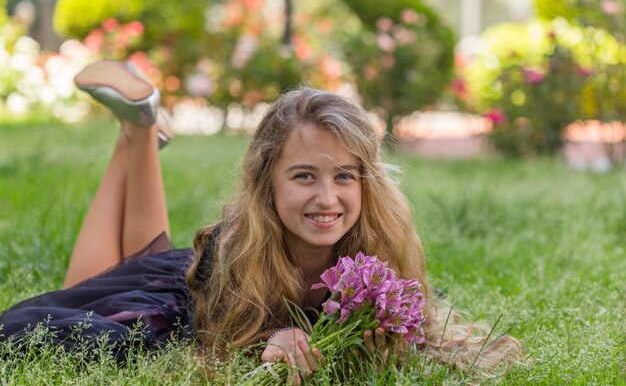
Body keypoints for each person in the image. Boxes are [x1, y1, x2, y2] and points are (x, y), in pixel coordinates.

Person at [0, 60, 520, 382]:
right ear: (266, 181)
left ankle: (139, 131)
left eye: (344, 176)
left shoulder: (382, 240)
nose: (327, 198)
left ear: (366, 180)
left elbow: (400, 335)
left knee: (144, 254)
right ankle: (135, 135)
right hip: (193, 292)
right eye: (302, 177)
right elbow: (222, 341)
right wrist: (270, 342)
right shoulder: (241, 244)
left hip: (177, 272)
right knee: (85, 304)